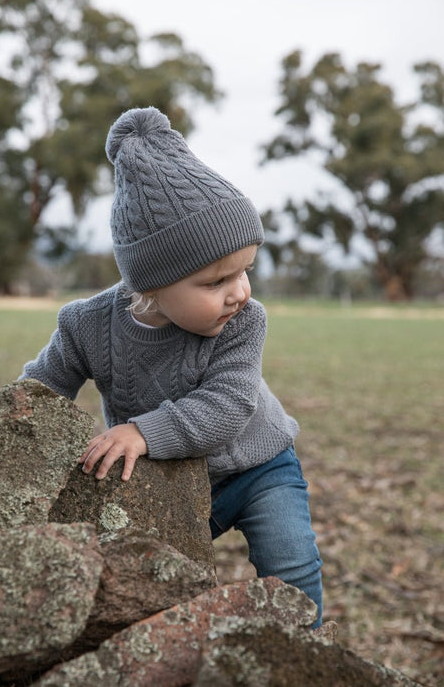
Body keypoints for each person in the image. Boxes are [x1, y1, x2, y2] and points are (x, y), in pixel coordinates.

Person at [21, 107, 323, 626]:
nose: (240, 293)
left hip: (257, 465)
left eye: (245, 271)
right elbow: (41, 389)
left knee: (292, 566)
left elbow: (227, 405)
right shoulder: (87, 326)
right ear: (151, 287)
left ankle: (308, 647)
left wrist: (141, 430)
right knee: (150, 581)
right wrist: (12, 422)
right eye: (216, 282)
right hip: (168, 479)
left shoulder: (245, 322)